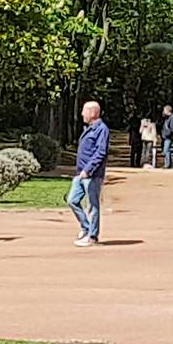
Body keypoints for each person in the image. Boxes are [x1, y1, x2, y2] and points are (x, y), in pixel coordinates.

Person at [67, 99, 108, 247]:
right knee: (72, 200)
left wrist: (88, 169)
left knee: (92, 205)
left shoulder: (102, 129)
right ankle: (86, 227)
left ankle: (92, 236)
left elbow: (100, 152)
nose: (82, 114)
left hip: (92, 175)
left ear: (92, 113)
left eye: (84, 110)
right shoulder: (89, 128)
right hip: (80, 174)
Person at [160, 104, 173, 169]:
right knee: (166, 150)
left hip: (169, 136)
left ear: (167, 110)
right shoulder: (166, 117)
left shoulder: (172, 117)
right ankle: (168, 163)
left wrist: (167, 133)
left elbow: (172, 128)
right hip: (165, 136)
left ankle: (167, 164)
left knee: (166, 150)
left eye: (164, 110)